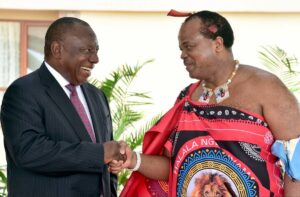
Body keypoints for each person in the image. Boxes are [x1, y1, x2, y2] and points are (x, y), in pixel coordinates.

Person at [113, 10, 300, 197]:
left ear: (217, 44)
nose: (182, 55)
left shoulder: (266, 87)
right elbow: (174, 167)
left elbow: (297, 164)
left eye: (189, 46)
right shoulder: (187, 97)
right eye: (181, 49)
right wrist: (134, 160)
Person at [0, 17, 125, 197]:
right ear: (57, 50)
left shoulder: (97, 96)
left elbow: (105, 159)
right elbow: (29, 151)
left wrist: (114, 161)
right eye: (86, 50)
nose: (95, 58)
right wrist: (99, 154)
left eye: (96, 51)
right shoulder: (23, 92)